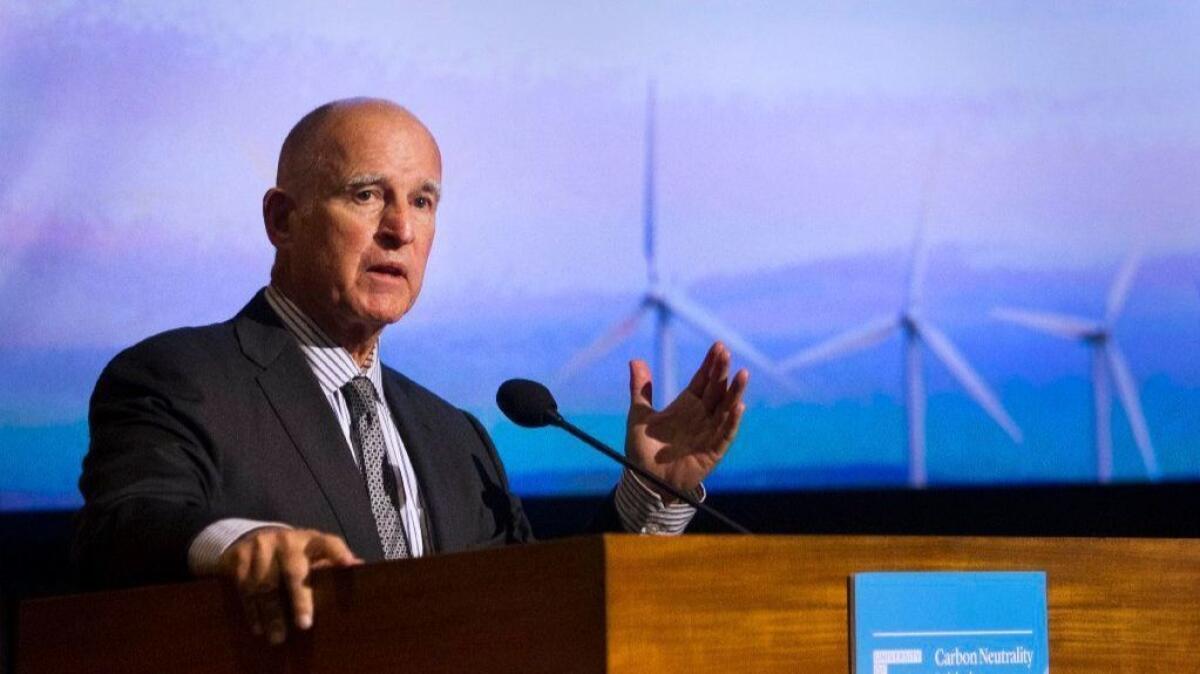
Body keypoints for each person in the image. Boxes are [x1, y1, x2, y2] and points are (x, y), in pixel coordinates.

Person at [75, 98, 748, 645]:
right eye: (366, 195)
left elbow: (538, 607)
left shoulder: (454, 437)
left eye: (423, 201)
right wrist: (241, 544)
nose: (400, 227)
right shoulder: (178, 379)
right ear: (282, 219)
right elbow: (126, 524)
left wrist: (650, 495)